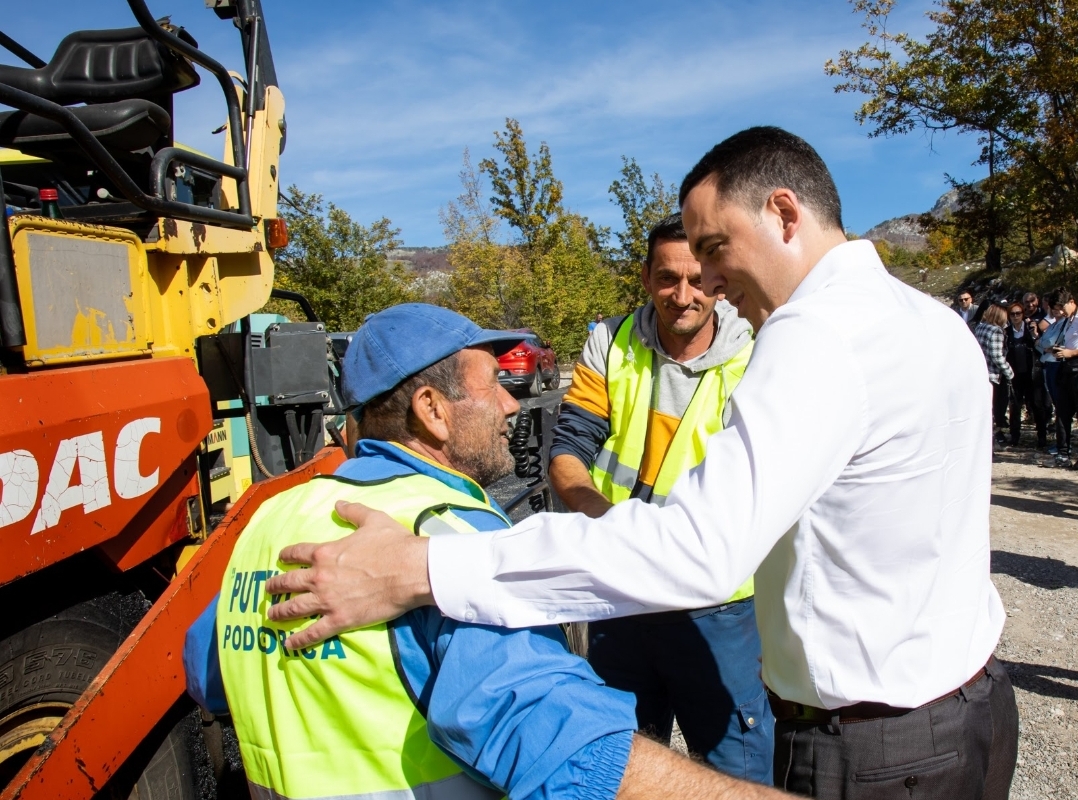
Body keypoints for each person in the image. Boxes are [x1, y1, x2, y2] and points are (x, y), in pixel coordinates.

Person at [262, 128, 1019, 799]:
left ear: (786, 214)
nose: (712, 284)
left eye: (716, 250)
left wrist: (421, 569)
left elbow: (697, 549)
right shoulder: (928, 321)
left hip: (880, 750)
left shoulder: (813, 333)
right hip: (973, 705)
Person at [184, 303, 790, 800]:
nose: (510, 404)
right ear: (432, 410)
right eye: (492, 385)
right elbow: (566, 754)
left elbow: (204, 672)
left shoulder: (272, 517)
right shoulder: (442, 531)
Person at [547, 212, 772, 781]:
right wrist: (608, 523)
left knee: (734, 775)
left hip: (714, 601)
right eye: (668, 279)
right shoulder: (609, 342)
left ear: (717, 280)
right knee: (620, 768)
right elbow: (569, 449)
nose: (683, 295)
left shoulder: (758, 358)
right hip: (620, 594)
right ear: (646, 278)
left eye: (697, 279)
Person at [1039, 289, 1078, 466]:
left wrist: (1071, 352)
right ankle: (1063, 453)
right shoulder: (1066, 321)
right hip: (1064, 368)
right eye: (1056, 308)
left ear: (1071, 301)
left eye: (1062, 307)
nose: (1060, 312)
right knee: (1062, 412)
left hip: (1076, 366)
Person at [1005, 301, 1047, 447]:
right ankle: (1014, 437)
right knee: (1015, 406)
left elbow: (1040, 346)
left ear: (1023, 314)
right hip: (1015, 375)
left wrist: (1034, 334)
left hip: (1032, 374)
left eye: (1018, 313)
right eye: (1012, 314)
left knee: (1036, 405)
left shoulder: (1030, 329)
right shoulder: (1007, 332)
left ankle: (1042, 437)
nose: (1015, 316)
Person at [974, 304, 1014, 445]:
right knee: (995, 409)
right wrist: (1009, 372)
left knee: (985, 410)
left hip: (981, 373)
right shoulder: (996, 331)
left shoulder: (980, 327)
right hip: (993, 375)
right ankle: (991, 441)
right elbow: (997, 356)